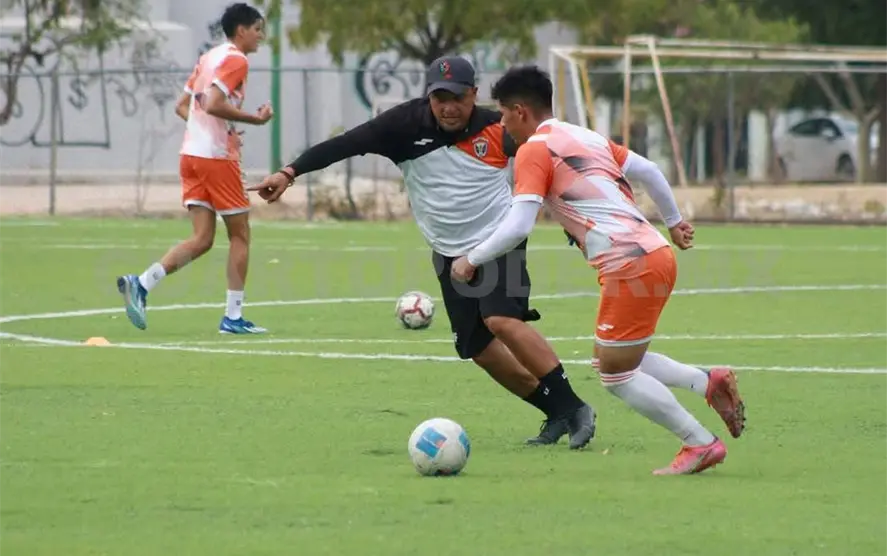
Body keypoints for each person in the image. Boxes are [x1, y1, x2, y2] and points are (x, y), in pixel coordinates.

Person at [249, 56, 596, 449]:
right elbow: (345, 144)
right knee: (478, 349)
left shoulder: (497, 128)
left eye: (458, 98)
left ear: (474, 94)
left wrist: (573, 223)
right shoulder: (402, 126)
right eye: (439, 98)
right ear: (428, 96)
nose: (449, 108)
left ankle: (576, 407)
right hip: (447, 250)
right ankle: (557, 411)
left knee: (500, 318)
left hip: (499, 239)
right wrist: (289, 172)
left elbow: (548, 168)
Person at [450, 65, 746, 475]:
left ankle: (699, 442)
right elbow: (650, 171)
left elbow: (519, 225)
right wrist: (674, 221)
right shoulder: (584, 136)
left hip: (629, 263)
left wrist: (471, 260)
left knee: (616, 376)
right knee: (617, 359)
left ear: (520, 111)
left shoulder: (534, 150)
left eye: (502, 114)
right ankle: (706, 381)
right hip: (655, 253)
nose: (500, 124)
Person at [116, 3, 273, 335]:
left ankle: (141, 284)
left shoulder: (208, 58)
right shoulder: (237, 60)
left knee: (202, 239)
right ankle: (233, 318)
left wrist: (213, 130)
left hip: (190, 154)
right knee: (240, 235)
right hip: (215, 158)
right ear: (241, 30)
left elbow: (182, 106)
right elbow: (214, 104)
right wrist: (254, 120)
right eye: (258, 29)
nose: (261, 36)